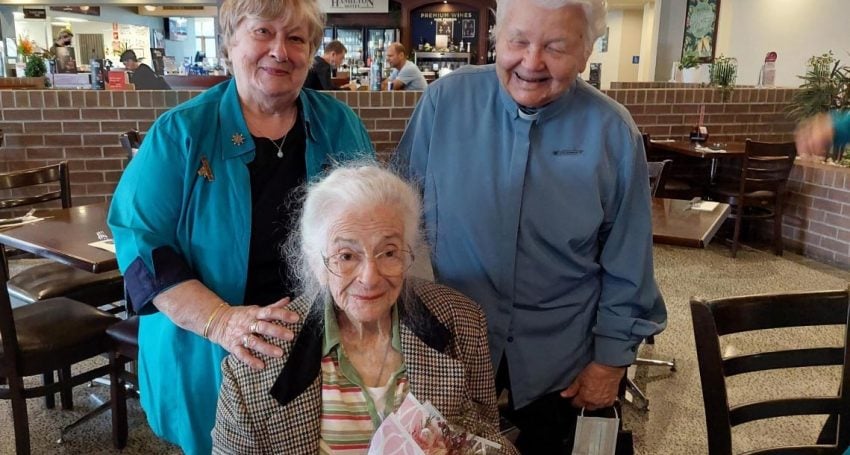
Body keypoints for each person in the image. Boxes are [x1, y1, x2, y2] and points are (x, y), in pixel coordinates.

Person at [393, 0, 666, 452]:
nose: (531, 62)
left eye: (556, 47)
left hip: (562, 366)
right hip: (452, 355)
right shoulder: (445, 103)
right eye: (517, 41)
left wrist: (611, 362)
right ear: (497, 40)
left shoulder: (612, 133)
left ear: (586, 51)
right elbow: (394, 214)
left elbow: (629, 260)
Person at [107, 0, 375, 452]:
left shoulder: (339, 124)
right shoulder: (181, 132)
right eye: (263, 33)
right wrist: (221, 322)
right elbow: (140, 244)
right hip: (208, 349)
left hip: (321, 343)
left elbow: (368, 223)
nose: (280, 51)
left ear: (311, 52)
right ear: (230, 42)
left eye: (296, 38)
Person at [212, 164, 516, 454]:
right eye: (346, 255)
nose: (370, 277)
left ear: (409, 254)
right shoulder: (257, 361)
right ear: (317, 263)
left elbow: (489, 437)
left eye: (388, 252)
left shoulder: (461, 321)